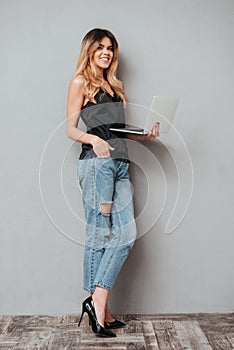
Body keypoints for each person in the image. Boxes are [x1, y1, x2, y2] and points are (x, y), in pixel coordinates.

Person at [66, 28, 160, 337]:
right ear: (90, 50)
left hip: (120, 165)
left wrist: (143, 136)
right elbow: (70, 129)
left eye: (110, 48)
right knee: (99, 236)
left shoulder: (114, 85)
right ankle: (100, 307)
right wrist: (93, 139)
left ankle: (96, 303)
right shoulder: (81, 82)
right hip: (97, 167)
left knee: (125, 236)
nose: (106, 52)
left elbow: (115, 130)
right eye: (101, 47)